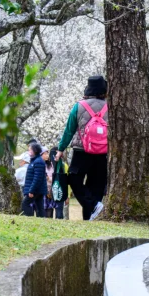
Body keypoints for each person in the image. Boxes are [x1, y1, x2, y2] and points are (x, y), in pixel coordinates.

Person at [57, 75, 109, 220]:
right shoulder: (110, 107)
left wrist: (61, 149)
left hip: (82, 151)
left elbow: (69, 130)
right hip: (103, 152)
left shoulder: (79, 106)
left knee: (74, 180)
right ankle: (92, 215)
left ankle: (92, 207)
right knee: (96, 186)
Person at [22, 141, 48, 217]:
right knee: (39, 206)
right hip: (37, 189)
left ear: (35, 151)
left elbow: (37, 178)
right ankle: (41, 220)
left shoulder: (38, 162)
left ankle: (29, 218)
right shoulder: (34, 161)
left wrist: (31, 190)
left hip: (36, 189)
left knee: (25, 203)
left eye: (30, 150)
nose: (28, 151)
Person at [46, 147, 68, 219]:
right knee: (48, 212)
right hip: (48, 190)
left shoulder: (62, 165)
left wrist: (67, 196)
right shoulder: (46, 164)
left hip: (58, 190)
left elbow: (64, 180)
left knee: (59, 211)